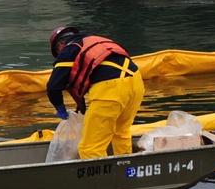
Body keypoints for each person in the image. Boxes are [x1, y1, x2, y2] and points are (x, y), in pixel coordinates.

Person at [47, 26, 145, 159]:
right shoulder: (97, 40)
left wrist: (60, 107)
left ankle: (102, 179)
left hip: (111, 89)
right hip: (136, 82)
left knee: (89, 148)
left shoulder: (69, 50)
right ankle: (125, 172)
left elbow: (53, 87)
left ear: (60, 44)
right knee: (120, 133)